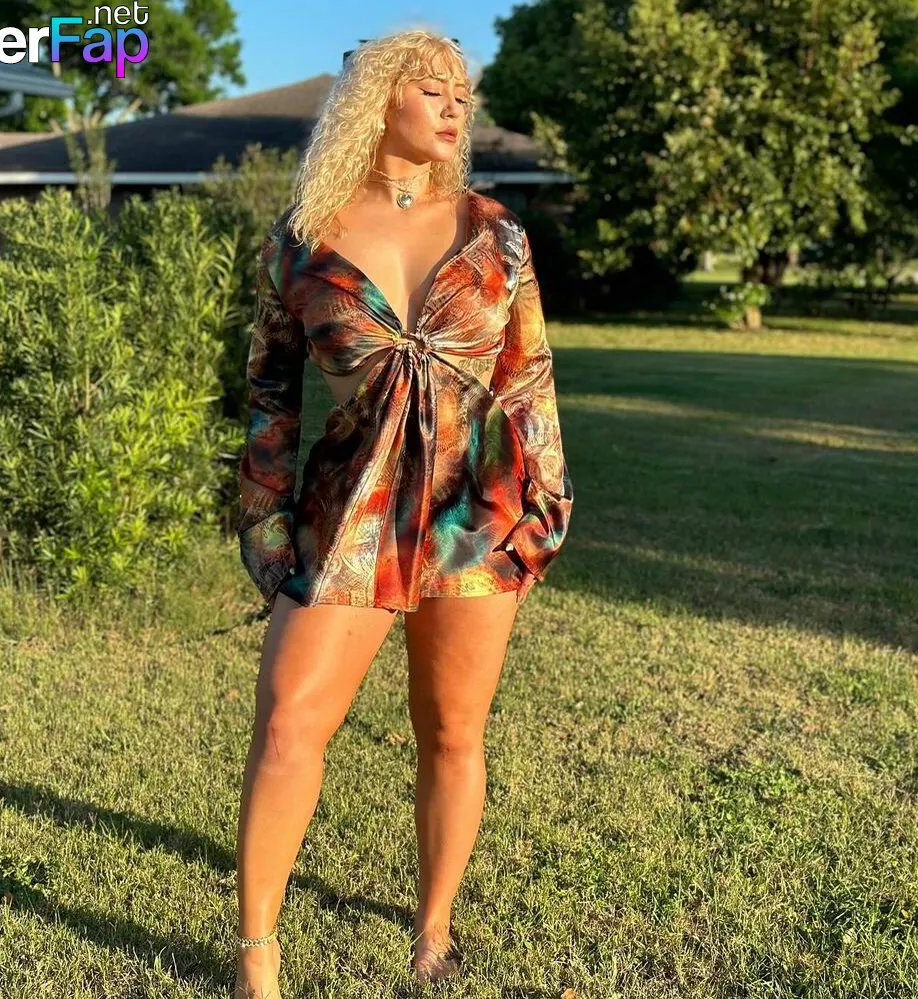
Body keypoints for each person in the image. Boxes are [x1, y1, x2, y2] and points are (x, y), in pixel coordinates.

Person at [232, 27, 574, 999]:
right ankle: (257, 954)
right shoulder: (304, 236)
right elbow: (269, 393)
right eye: (432, 89)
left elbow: (529, 377)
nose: (454, 106)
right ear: (378, 99)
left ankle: (433, 928)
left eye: (461, 92)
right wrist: (262, 518)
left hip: (476, 512)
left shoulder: (496, 232)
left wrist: (545, 503)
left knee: (454, 731)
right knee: (289, 723)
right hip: (351, 512)